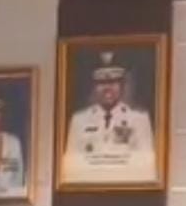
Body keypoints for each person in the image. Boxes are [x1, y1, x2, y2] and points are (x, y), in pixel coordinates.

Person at [64, 52, 155, 180]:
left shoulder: (139, 119)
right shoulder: (79, 120)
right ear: (94, 87)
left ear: (122, 86)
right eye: (101, 83)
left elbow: (146, 168)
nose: (107, 88)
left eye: (113, 82)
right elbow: (71, 168)